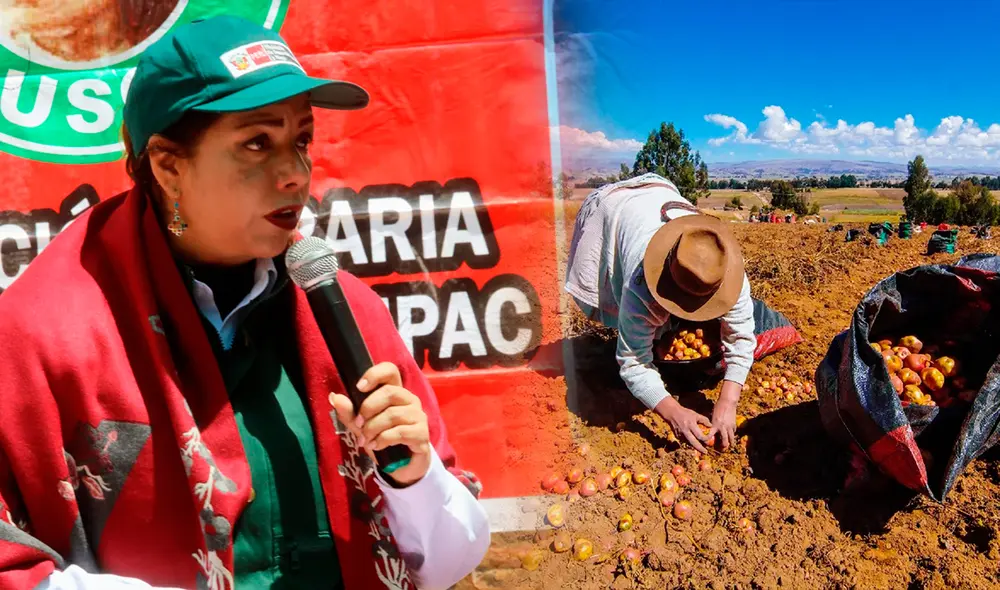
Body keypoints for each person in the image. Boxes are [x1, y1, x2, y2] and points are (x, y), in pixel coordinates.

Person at [0, 16, 489, 590]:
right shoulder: (43, 335)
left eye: (301, 140)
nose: (294, 174)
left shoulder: (344, 310)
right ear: (167, 165)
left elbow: (451, 561)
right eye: (257, 143)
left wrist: (416, 481)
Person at [565, 173, 756, 452]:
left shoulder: (725, 272)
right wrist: (673, 412)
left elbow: (741, 337)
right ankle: (640, 332)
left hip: (658, 193)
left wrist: (728, 400)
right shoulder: (639, 284)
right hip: (614, 209)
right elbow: (633, 362)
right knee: (631, 326)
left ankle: (650, 331)